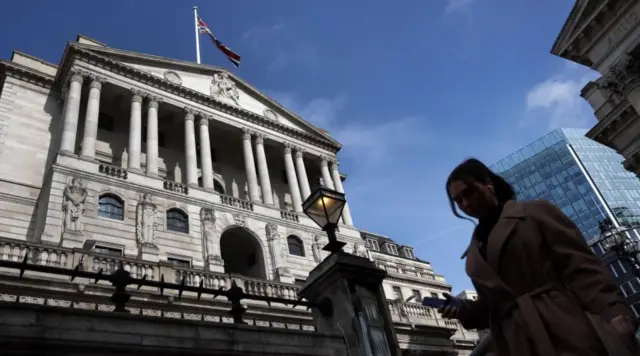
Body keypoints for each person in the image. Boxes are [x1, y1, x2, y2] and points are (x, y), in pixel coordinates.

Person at [440, 158, 638, 356]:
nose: (466, 204)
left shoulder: (535, 212)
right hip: (516, 342)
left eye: (469, 192)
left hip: (562, 325)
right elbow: (495, 303)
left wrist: (612, 309)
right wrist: (465, 310)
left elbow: (581, 267)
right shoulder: (476, 248)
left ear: (488, 183)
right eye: (458, 200)